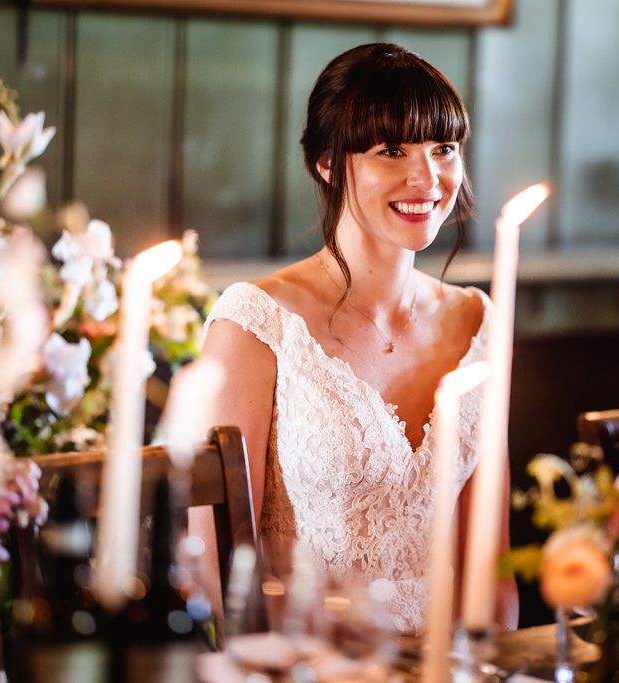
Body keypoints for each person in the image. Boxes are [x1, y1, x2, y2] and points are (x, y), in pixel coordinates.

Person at [190, 43, 518, 635]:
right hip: (311, 663)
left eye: (443, 148)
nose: (427, 178)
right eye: (392, 151)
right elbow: (215, 570)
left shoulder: (479, 321)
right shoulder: (254, 324)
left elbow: (491, 570)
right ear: (327, 163)